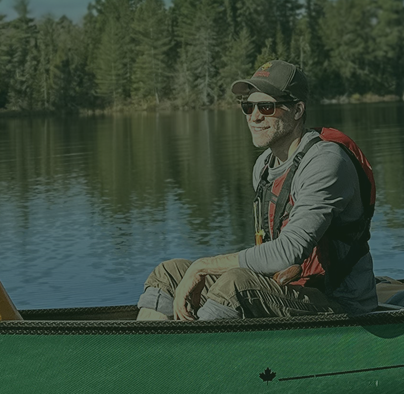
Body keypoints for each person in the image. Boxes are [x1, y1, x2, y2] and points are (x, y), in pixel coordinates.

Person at [136, 60, 377, 320]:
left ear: (297, 110)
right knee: (169, 273)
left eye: (266, 106)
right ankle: (151, 356)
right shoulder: (263, 166)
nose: (254, 116)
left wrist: (204, 266)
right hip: (287, 292)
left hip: (341, 305)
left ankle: (199, 355)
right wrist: (196, 270)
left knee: (235, 285)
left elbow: (287, 252)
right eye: (247, 106)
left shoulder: (326, 162)